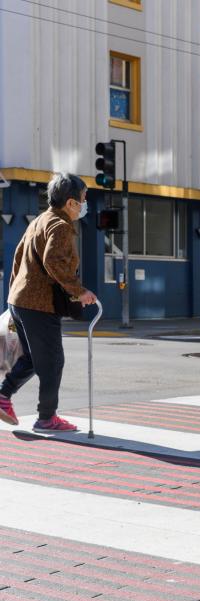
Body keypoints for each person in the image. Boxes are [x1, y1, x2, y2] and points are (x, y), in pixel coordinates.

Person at [0, 172, 97, 432]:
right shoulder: (60, 226)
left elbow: (18, 258)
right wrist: (79, 291)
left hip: (21, 301)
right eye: (83, 198)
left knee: (35, 358)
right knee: (52, 361)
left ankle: (3, 396)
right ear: (71, 202)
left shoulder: (40, 220)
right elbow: (53, 261)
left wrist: (13, 296)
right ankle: (47, 418)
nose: (85, 204)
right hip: (39, 305)